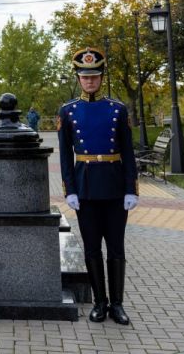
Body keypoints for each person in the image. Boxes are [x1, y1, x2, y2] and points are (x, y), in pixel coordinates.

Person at [57, 47, 138, 325]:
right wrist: (70, 190)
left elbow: (128, 153)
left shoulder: (118, 109)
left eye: (94, 76)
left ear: (102, 77)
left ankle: (117, 305)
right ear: (78, 78)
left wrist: (131, 189)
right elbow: (66, 156)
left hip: (115, 187)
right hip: (86, 187)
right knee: (92, 248)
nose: (90, 81)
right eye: (85, 76)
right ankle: (99, 303)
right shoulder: (68, 112)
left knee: (116, 247)